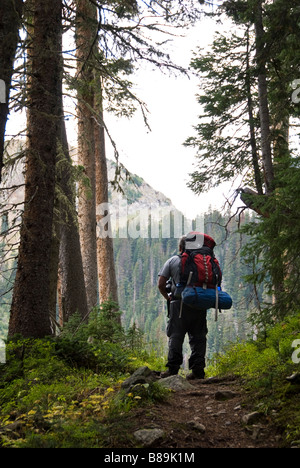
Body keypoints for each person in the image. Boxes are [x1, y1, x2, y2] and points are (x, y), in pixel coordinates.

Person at [158, 235, 208, 380]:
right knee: (198, 338)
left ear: (180, 248)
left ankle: (173, 370)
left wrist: (168, 297)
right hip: (199, 304)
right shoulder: (202, 263)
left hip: (178, 304)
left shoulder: (173, 260)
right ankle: (198, 372)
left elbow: (161, 284)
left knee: (176, 336)